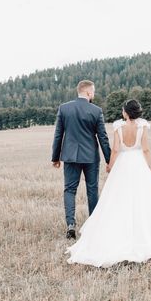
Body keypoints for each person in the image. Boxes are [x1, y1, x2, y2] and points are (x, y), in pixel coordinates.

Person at [65, 99, 151, 267]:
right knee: (143, 198)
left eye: (123, 110)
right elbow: (145, 149)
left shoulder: (118, 127)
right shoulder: (142, 126)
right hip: (138, 163)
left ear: (125, 112)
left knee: (117, 199)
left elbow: (115, 149)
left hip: (122, 164)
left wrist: (110, 165)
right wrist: (150, 167)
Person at [51, 80, 111, 239]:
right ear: (88, 92)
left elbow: (58, 135)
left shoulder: (64, 108)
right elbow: (103, 137)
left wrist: (55, 157)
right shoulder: (96, 111)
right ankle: (93, 224)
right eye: (94, 91)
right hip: (90, 156)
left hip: (70, 156)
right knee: (92, 189)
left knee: (69, 190)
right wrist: (109, 159)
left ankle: (71, 224)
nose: (94, 94)